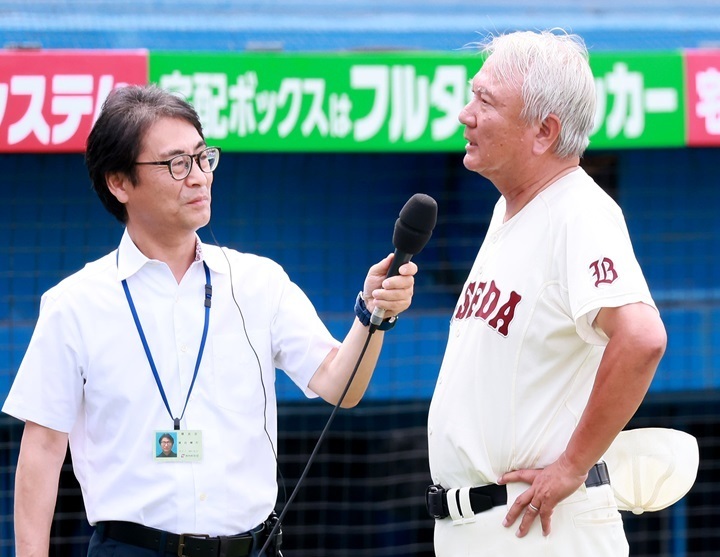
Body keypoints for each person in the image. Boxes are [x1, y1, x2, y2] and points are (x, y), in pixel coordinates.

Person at [2, 84, 417, 557]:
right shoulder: (73, 303)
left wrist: (372, 314)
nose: (198, 177)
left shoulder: (259, 281)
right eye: (176, 164)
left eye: (203, 158)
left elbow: (341, 387)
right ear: (119, 182)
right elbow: (41, 451)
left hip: (251, 547)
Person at [426, 30, 667, 556]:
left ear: (544, 131)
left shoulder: (579, 210)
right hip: (489, 529)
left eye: (485, 101)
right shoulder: (509, 209)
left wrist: (571, 466)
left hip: (540, 528)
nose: (466, 114)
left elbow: (642, 337)